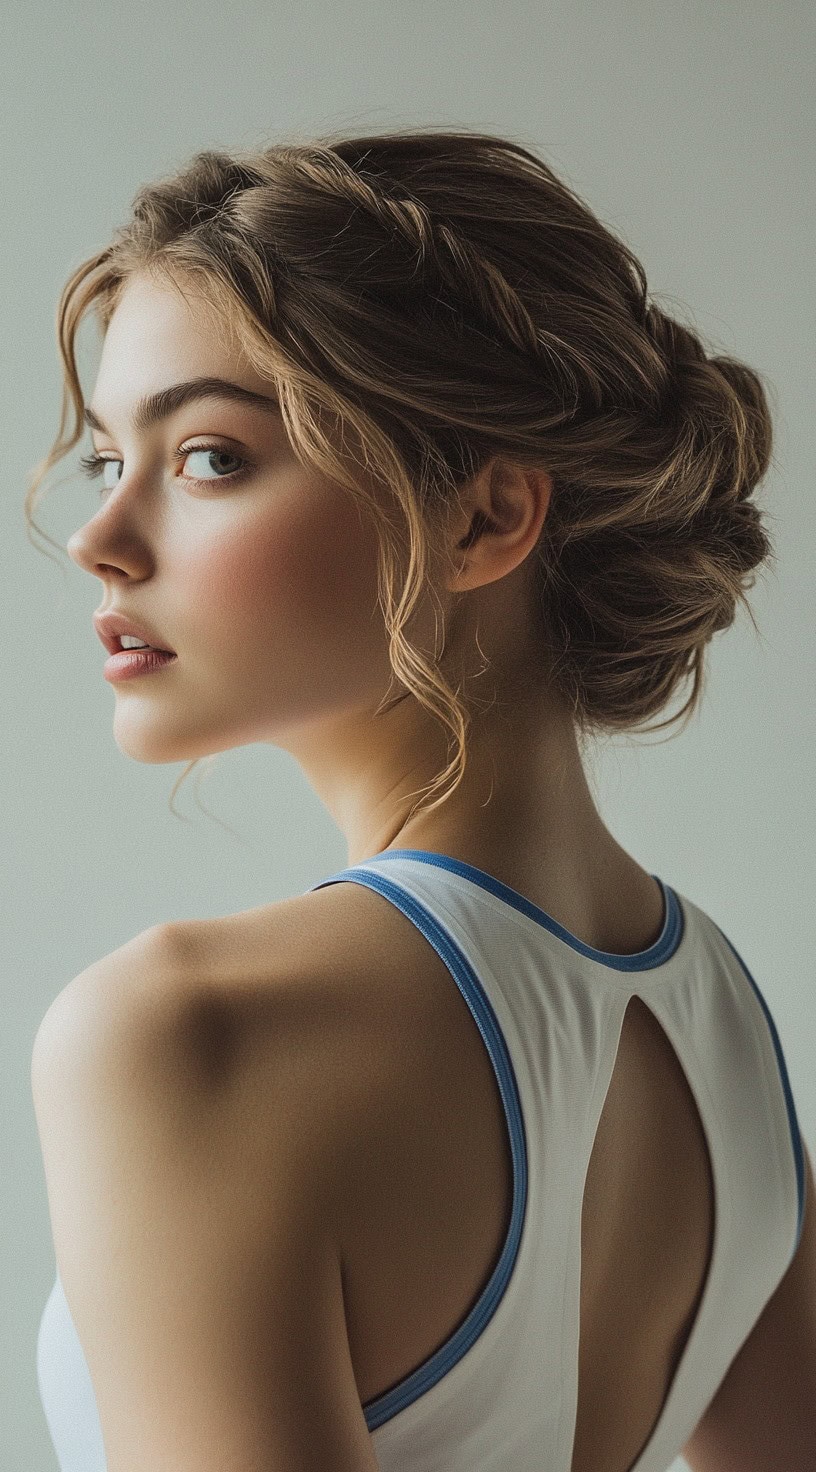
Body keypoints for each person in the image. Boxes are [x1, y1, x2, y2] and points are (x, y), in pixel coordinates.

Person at [29, 127, 814, 1472]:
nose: (100, 538)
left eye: (209, 456)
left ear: (482, 520)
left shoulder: (187, 1033)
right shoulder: (724, 1022)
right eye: (110, 458)